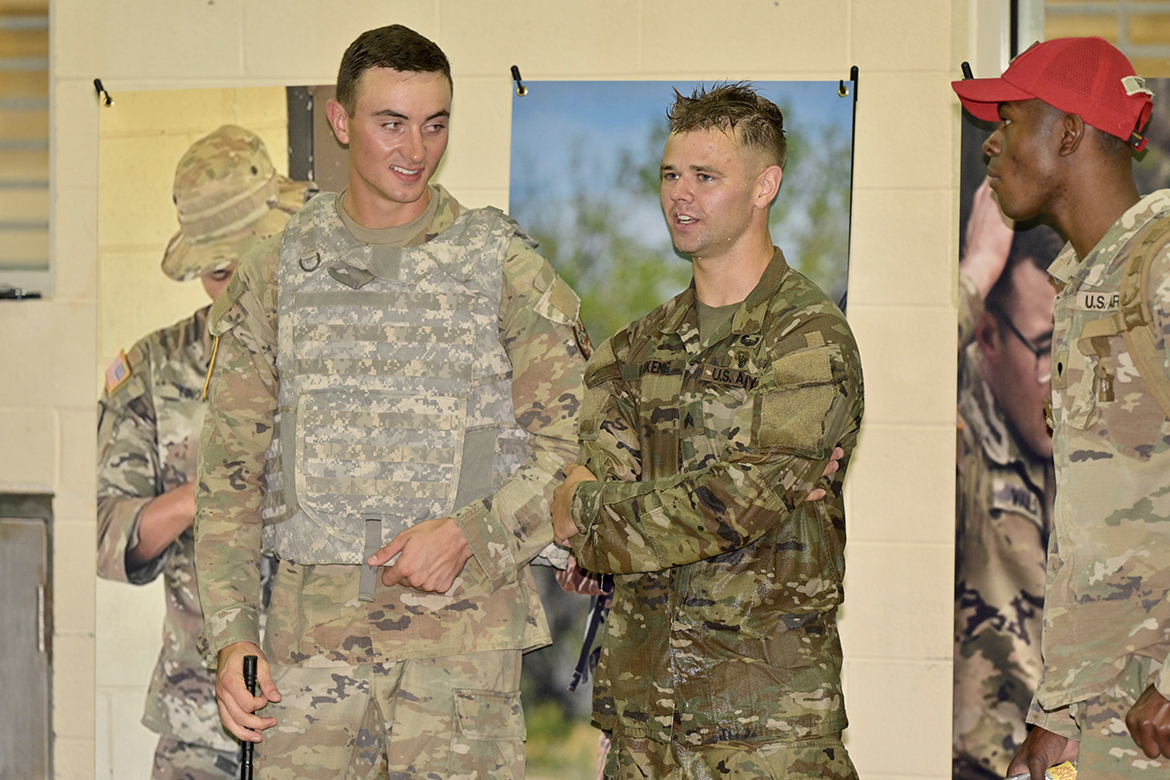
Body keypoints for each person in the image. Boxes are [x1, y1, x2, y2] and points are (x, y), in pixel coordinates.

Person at [194, 24, 589, 778]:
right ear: (342, 122)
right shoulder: (274, 273)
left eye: (435, 123)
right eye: (392, 123)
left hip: (461, 660)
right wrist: (233, 633)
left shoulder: (503, 268)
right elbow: (230, 475)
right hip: (311, 651)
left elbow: (574, 453)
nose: (416, 149)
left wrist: (472, 533)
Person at [552, 82, 865, 780]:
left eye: (704, 176)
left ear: (765, 186)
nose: (679, 195)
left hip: (767, 724)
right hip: (642, 724)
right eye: (670, 175)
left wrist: (588, 515)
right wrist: (603, 518)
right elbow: (607, 489)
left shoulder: (808, 339)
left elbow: (741, 500)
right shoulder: (631, 352)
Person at [953, 36, 1170, 777]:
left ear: (1070, 132)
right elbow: (1105, 525)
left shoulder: (1163, 266)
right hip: (1108, 726)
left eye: (1009, 119)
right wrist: (1060, 713)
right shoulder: (1086, 289)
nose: (991, 143)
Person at [97, 125, 315, 780]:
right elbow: (102, 530)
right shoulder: (152, 370)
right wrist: (198, 498)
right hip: (200, 728)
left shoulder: (344, 355)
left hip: (328, 721)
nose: (238, 286)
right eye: (219, 272)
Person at [954, 180, 1063, 780]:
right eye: (1045, 349)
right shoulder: (955, 421)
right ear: (988, 337)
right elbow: (874, 375)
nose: (1062, 378)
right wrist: (977, 271)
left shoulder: (1086, 423)